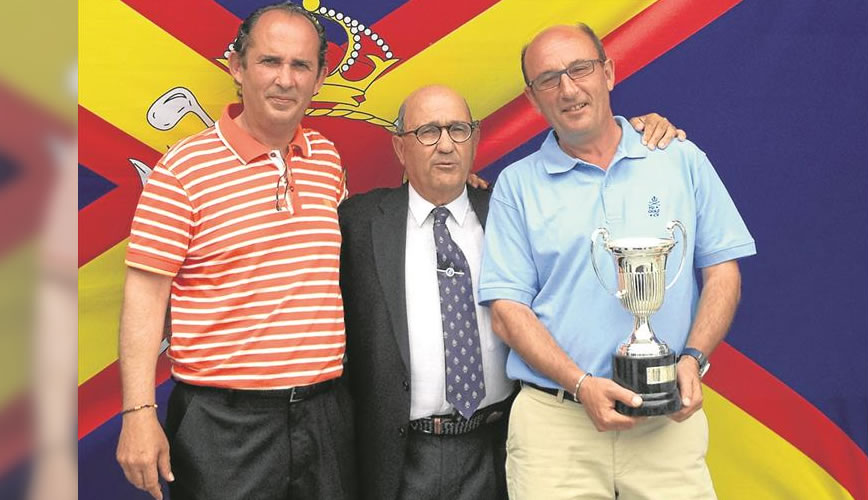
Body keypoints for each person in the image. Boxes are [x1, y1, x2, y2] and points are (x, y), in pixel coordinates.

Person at [338, 84, 685, 500]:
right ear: (399, 147)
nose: (446, 145)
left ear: (476, 138)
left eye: (458, 130)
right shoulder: (357, 224)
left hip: (500, 444)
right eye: (428, 132)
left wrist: (641, 130)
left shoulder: (511, 209)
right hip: (402, 452)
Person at [479, 24, 757, 499]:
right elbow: (507, 312)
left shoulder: (680, 159)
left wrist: (693, 358)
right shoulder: (516, 186)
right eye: (549, 79)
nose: (568, 89)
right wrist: (581, 383)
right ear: (532, 99)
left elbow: (722, 272)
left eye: (580, 69)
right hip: (556, 429)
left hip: (667, 424)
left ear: (608, 72)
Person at [115, 4, 355, 499]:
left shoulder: (327, 161)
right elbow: (144, 295)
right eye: (269, 62)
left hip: (325, 414)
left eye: (300, 65)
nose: (285, 80)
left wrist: (452, 192)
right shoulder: (183, 169)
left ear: (319, 78)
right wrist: (138, 413)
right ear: (236, 67)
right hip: (224, 426)